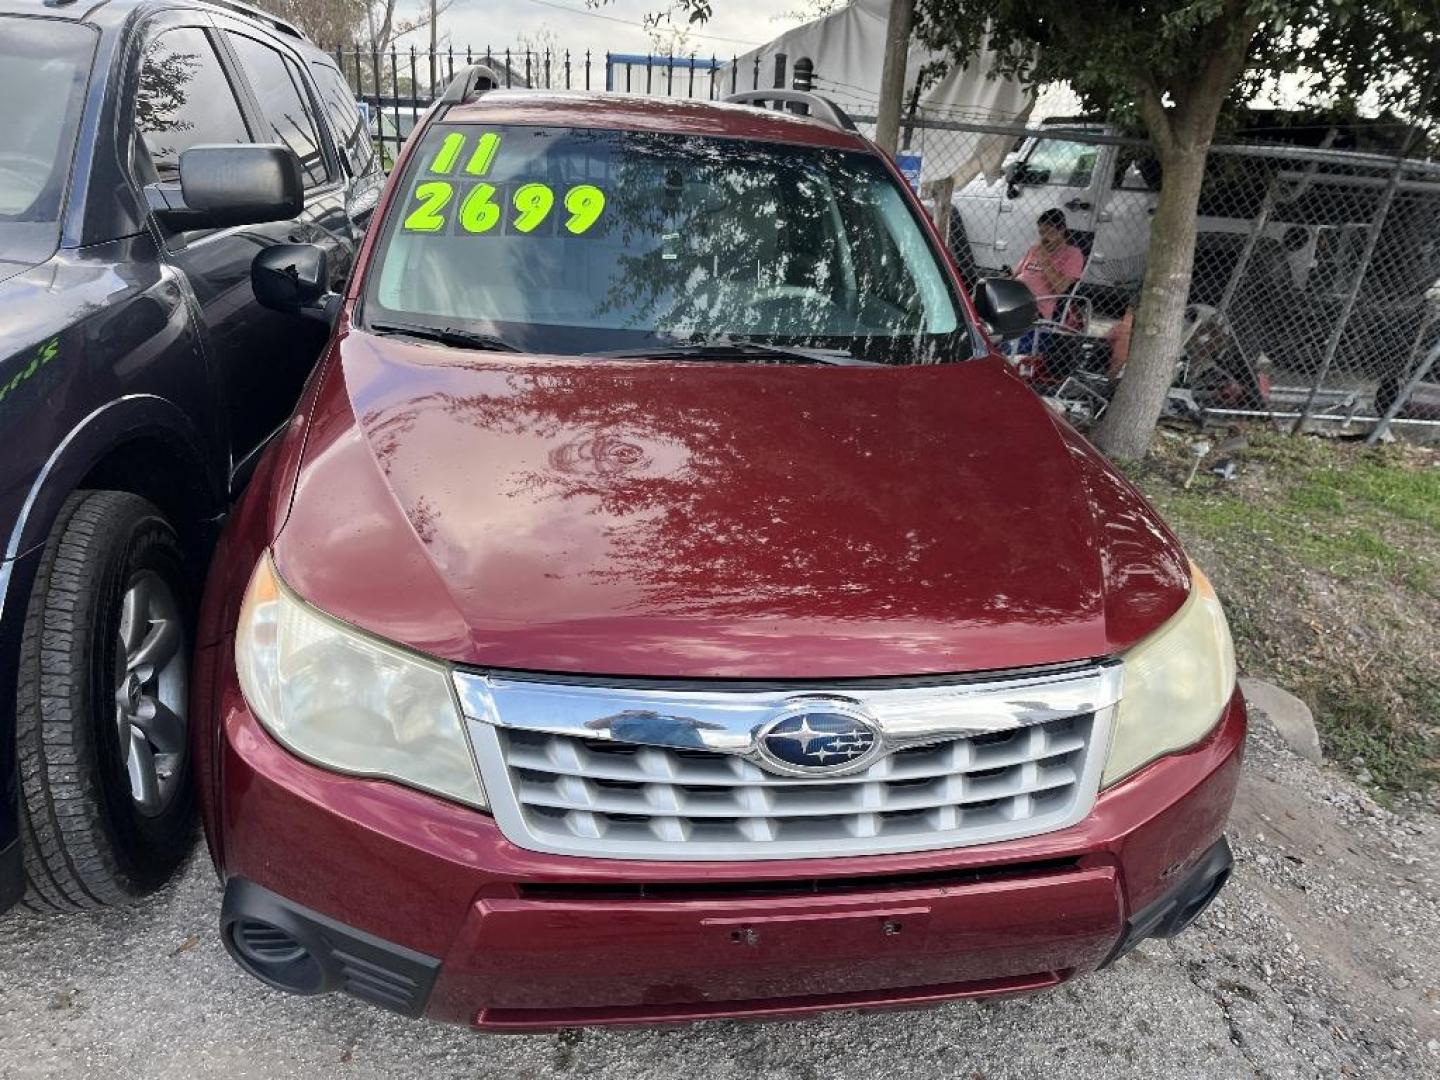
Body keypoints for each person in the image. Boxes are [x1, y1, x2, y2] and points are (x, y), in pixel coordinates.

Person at [1014, 208, 1085, 320]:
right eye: (1041, 232)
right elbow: (1014, 275)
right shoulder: (1034, 250)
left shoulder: (1073, 254)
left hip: (1035, 306)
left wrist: (1044, 258)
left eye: (1048, 231)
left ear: (1061, 230)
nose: (1044, 237)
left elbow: (1060, 287)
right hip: (1013, 297)